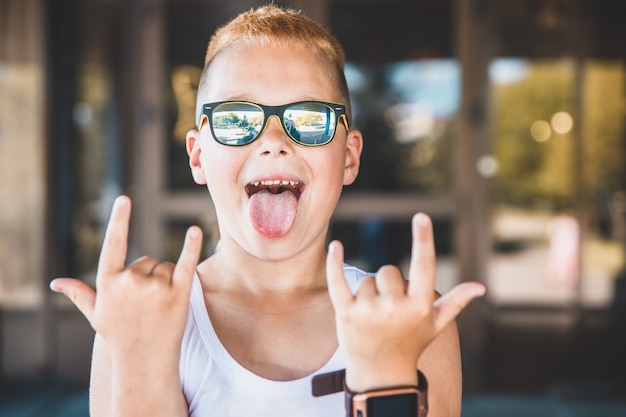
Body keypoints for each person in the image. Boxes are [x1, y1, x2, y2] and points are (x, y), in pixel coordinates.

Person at [50, 5, 486, 417]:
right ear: (198, 156)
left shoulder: (411, 320)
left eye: (311, 117)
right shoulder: (135, 318)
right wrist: (140, 363)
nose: (273, 139)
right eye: (237, 118)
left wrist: (387, 381)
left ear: (349, 157)